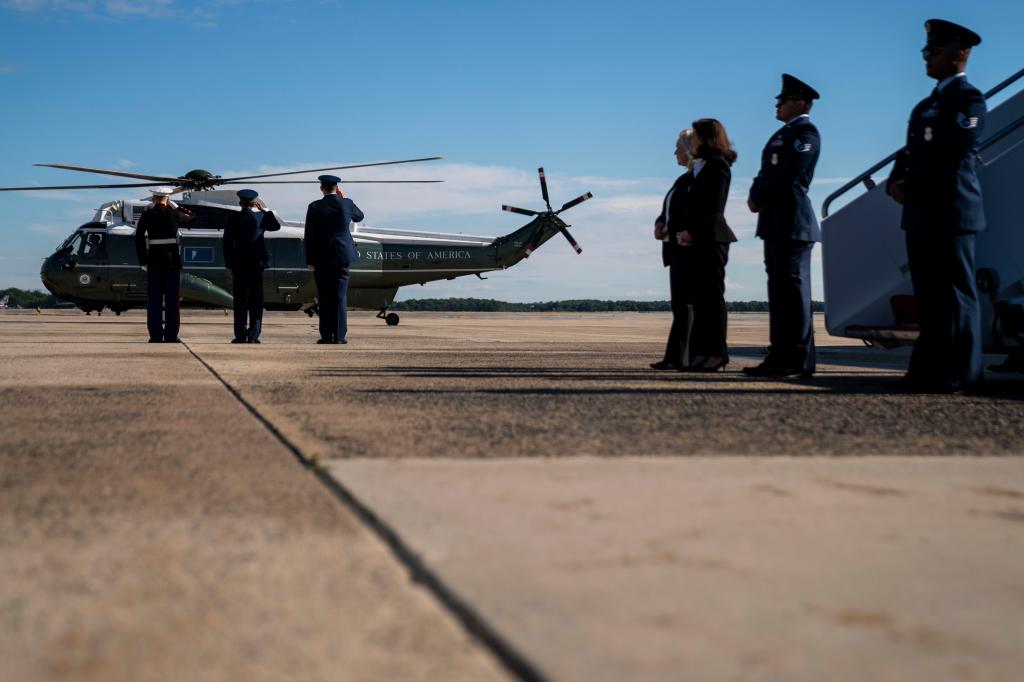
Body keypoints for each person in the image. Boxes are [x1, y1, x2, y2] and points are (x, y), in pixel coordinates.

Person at [886, 19, 986, 393]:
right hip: (921, 211)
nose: (927, 56)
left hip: (951, 208)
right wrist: (896, 183)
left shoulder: (968, 99)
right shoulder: (927, 104)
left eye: (934, 50)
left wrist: (913, 185)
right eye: (925, 50)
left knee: (956, 294)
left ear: (961, 53)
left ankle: (962, 372)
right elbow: (910, 150)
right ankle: (927, 370)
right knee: (928, 295)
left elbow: (955, 151)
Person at [745, 74, 822, 378]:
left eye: (783, 100)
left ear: (801, 103)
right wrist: (755, 196)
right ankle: (779, 356)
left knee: (793, 293)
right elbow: (765, 172)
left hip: (793, 221)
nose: (777, 104)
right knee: (778, 293)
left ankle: (797, 359)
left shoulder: (806, 133)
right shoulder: (782, 134)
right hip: (774, 221)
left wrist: (760, 197)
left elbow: (790, 173)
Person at [677, 118, 738, 372]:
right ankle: (704, 352)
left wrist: (692, 231)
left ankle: (717, 353)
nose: (693, 141)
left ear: (707, 139)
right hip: (699, 239)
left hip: (712, 238)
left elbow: (713, 207)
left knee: (712, 299)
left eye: (697, 136)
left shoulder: (718, 166)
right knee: (701, 299)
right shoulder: (701, 167)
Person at [651, 129, 696, 370]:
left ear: (690, 149)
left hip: (687, 248)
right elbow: (668, 211)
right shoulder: (682, 181)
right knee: (680, 304)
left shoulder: (694, 180)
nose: (675, 152)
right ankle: (676, 357)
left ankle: (680, 357)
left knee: (685, 304)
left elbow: (693, 212)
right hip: (674, 248)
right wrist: (660, 224)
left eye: (678, 147)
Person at [304, 174, 364, 344]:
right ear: (337, 188)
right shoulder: (347, 204)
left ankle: (326, 335)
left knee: (324, 296)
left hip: (322, 257)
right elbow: (360, 216)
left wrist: (310, 260)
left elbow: (310, 236)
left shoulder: (314, 206)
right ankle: (339, 336)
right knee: (339, 296)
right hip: (342, 255)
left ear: (321, 188)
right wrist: (344, 198)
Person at [134, 186, 194, 343]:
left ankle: (155, 335)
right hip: (172, 263)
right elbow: (192, 216)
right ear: (167, 198)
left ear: (154, 198)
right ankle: (171, 335)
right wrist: (175, 206)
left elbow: (139, 238)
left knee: (154, 301)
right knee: (172, 301)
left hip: (153, 263)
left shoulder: (147, 215)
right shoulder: (174, 214)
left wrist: (143, 261)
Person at [223, 189, 281, 344]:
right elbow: (276, 226)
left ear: (240, 202)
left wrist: (229, 265)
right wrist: (265, 211)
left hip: (239, 265)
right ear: (254, 203)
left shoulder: (233, 218)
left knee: (240, 301)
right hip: (257, 265)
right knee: (256, 301)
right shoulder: (260, 217)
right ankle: (254, 335)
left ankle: (240, 335)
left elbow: (227, 244)